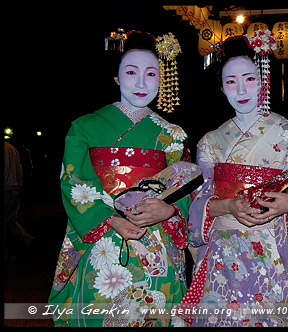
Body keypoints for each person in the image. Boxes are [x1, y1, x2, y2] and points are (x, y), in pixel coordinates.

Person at [48, 31, 191, 327]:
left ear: (162, 80)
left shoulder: (174, 135)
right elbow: (74, 181)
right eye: (131, 72)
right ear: (116, 77)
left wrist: (170, 210)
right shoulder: (84, 127)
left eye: (151, 73)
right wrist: (111, 219)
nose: (141, 83)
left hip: (155, 239)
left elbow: (185, 187)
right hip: (102, 237)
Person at [177, 33, 288, 327]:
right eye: (230, 81)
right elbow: (198, 201)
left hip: (275, 248)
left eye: (249, 79)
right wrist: (226, 206)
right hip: (224, 252)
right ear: (222, 88)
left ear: (263, 80)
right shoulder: (211, 142)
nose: (241, 89)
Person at [4, 140, 34, 257]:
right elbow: (19, 168)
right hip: (14, 187)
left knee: (8, 220)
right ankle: (27, 239)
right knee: (10, 220)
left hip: (6, 187)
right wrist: (19, 185)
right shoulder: (12, 148)